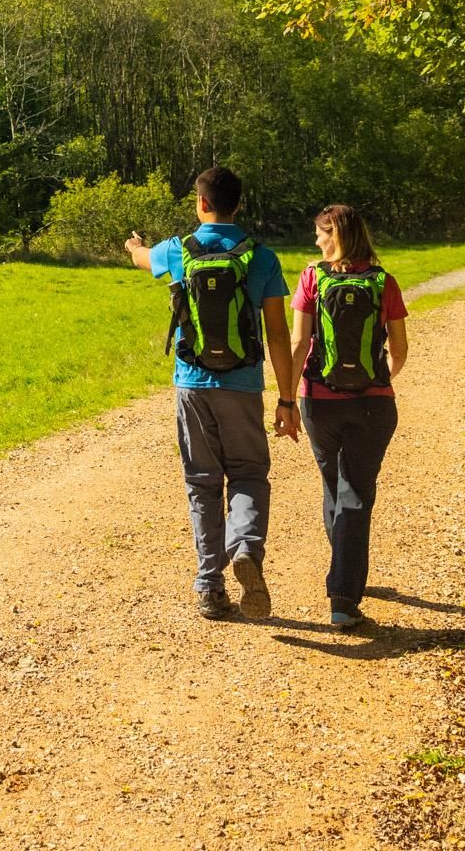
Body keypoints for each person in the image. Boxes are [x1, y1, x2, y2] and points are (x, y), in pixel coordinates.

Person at [124, 166, 299, 621]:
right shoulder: (262, 257)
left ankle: (209, 586)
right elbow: (278, 334)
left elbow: (142, 259)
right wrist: (287, 399)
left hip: (192, 383)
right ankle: (246, 548)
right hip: (243, 386)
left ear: (201, 203)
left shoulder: (178, 250)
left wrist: (135, 247)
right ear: (238, 205)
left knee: (202, 483)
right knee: (248, 474)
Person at [290, 203, 409, 631]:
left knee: (334, 487)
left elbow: (299, 342)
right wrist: (376, 380)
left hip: (319, 402)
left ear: (333, 236)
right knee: (355, 491)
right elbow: (400, 350)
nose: (315, 240)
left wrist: (287, 397)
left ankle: (345, 573)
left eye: (320, 233)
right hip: (372, 404)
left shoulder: (312, 277)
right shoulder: (383, 281)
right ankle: (343, 593)